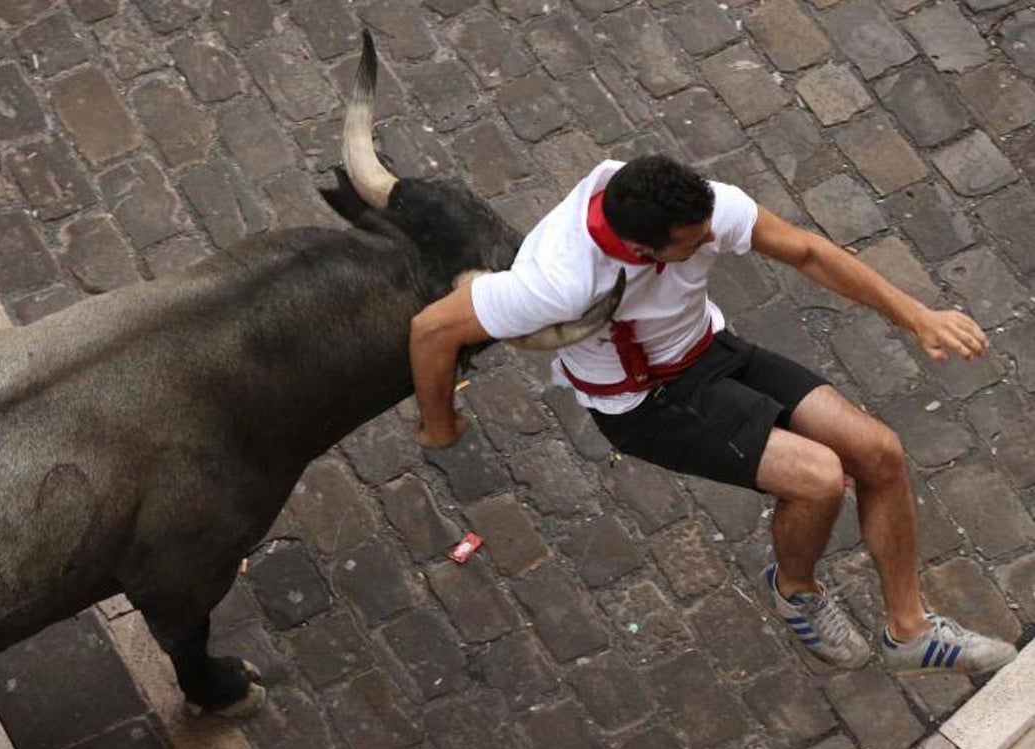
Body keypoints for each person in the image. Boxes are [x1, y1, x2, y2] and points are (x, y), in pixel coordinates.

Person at [409, 154, 1017, 676]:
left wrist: (916, 316)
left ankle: (910, 633)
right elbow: (431, 330)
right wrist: (441, 425)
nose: (712, 241)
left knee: (879, 453)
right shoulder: (559, 282)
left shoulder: (696, 208)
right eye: (695, 244)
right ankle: (795, 591)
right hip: (648, 403)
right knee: (819, 480)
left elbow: (807, 252)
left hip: (711, 351)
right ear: (643, 250)